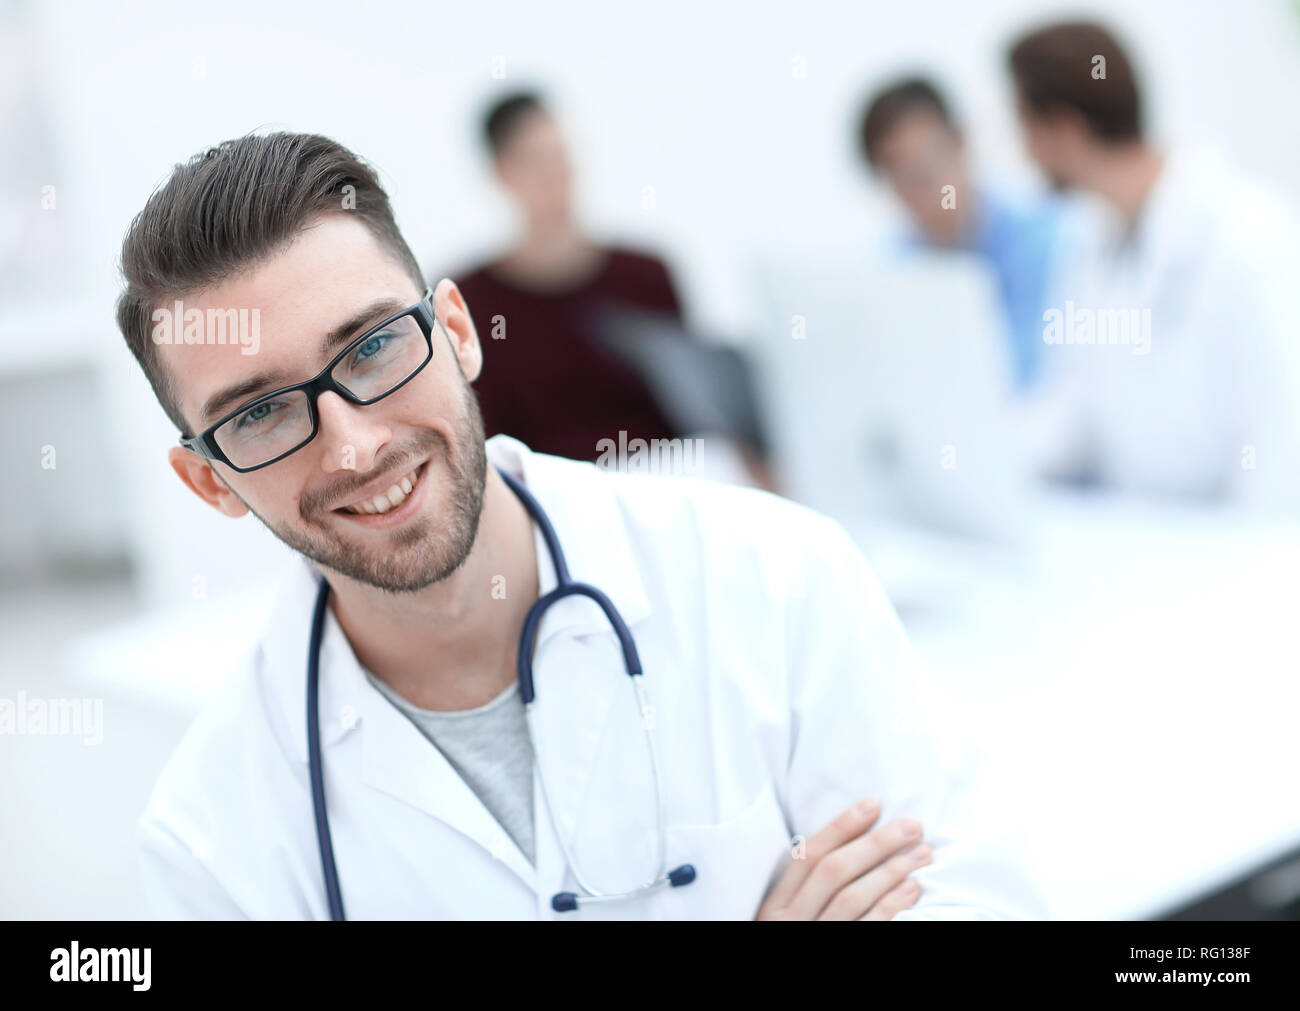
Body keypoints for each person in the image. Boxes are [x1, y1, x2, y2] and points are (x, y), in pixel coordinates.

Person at [118, 131, 1042, 920]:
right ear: (209, 481)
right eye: (262, 414)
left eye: (371, 348)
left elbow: (976, 894)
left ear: (457, 331)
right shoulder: (213, 845)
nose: (352, 444)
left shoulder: (774, 577)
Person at [1007, 20, 1300, 509]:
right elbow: (1070, 419)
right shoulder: (1088, 243)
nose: (1020, 150)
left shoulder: (1254, 237)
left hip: (1244, 556)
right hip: (1147, 542)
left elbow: (1283, 455)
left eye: (1022, 125)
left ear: (1063, 128)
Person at [451, 91, 692, 464]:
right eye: (536, 160)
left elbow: (694, 407)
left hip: (665, 485)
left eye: (560, 155)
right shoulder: (473, 301)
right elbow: (483, 438)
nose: (556, 174)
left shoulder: (647, 276)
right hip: (548, 501)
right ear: (502, 173)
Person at [857, 76, 1066, 391]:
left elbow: (1034, 372)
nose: (915, 197)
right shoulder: (895, 265)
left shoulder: (1044, 241)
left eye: (922, 175)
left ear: (959, 143)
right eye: (896, 181)